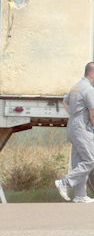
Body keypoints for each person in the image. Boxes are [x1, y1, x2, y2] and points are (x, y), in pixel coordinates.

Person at [56, 62, 94, 203]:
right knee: (91, 160)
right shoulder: (88, 89)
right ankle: (65, 183)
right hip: (82, 128)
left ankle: (79, 195)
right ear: (92, 74)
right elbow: (93, 112)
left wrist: (74, 114)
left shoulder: (76, 86)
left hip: (73, 125)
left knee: (80, 161)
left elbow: (64, 101)